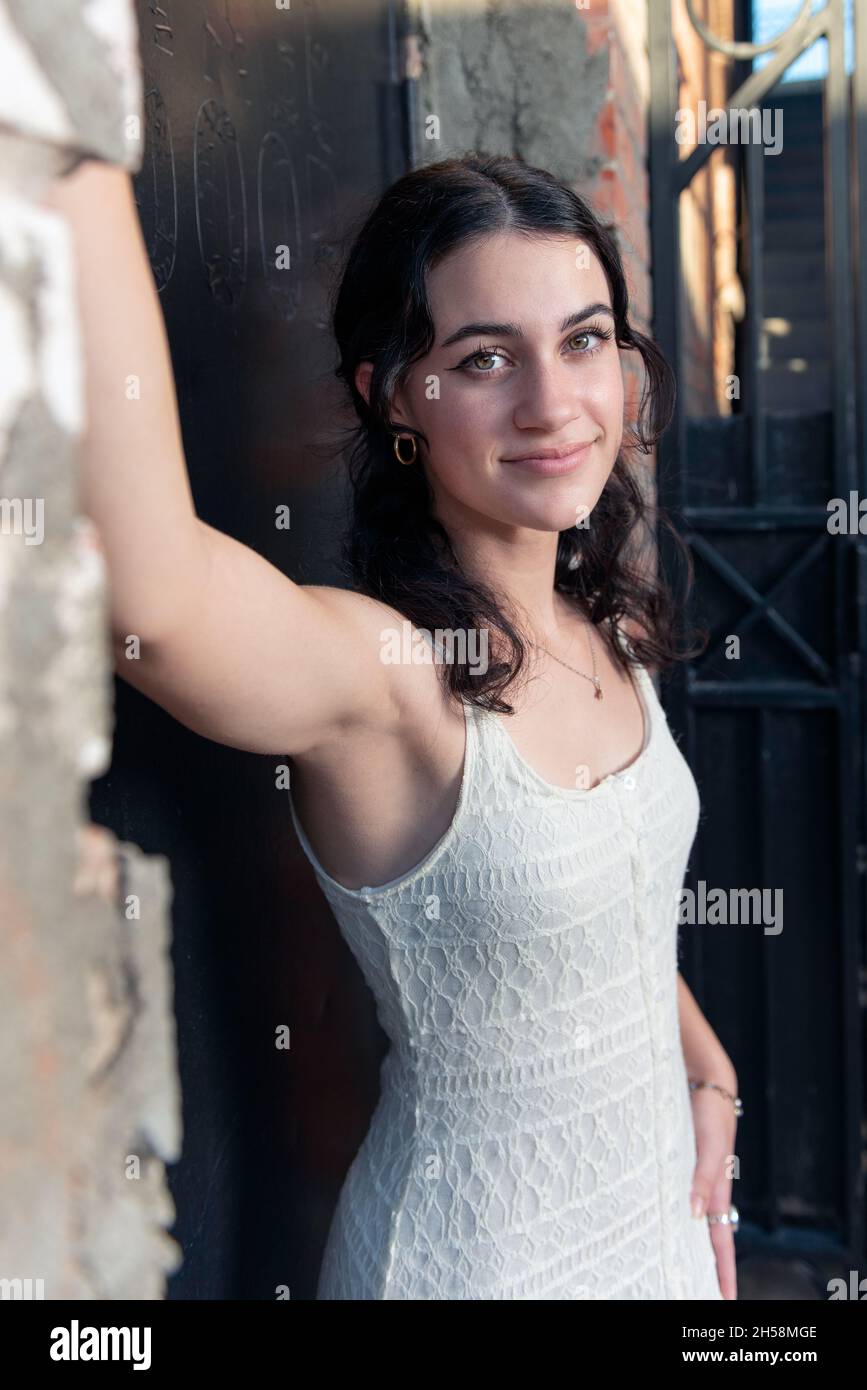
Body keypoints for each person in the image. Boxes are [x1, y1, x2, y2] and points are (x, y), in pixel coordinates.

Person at [45, 150, 739, 1300]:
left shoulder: (599, 613)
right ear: (391, 395)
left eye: (584, 339)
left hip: (656, 1240)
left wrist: (705, 1069)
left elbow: (607, 914)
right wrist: (71, 140)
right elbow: (155, 605)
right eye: (482, 359)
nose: (554, 403)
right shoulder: (392, 681)